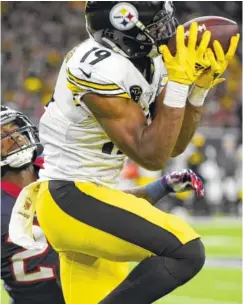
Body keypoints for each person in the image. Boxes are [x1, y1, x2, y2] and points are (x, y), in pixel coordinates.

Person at [9, 1, 239, 304]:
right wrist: (179, 83)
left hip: (92, 200)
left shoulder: (149, 62)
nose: (167, 32)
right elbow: (153, 156)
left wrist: (197, 91)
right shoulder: (97, 66)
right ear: (122, 29)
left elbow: (173, 144)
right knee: (185, 250)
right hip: (71, 198)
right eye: (156, 26)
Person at [1, 105, 66, 304]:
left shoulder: (60, 168)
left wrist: (163, 185)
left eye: (14, 128)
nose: (13, 136)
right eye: (2, 135)